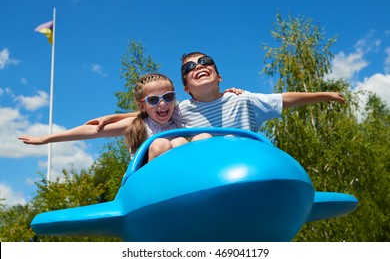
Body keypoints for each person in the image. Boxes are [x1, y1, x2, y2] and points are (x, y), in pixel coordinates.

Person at [86, 51, 345, 132]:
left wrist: (325, 95)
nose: (199, 66)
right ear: (185, 88)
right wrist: (111, 117)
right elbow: (148, 111)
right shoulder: (180, 110)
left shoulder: (242, 99)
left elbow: (284, 99)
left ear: (218, 75)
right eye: (190, 67)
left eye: (205, 62)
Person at [19, 73, 211, 162]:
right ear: (142, 105)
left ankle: (199, 185)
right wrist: (47, 138)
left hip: (181, 173)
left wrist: (227, 93)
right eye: (154, 100)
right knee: (161, 144)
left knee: (200, 137)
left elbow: (205, 101)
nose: (162, 104)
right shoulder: (139, 123)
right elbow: (92, 131)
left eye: (168, 97)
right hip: (147, 179)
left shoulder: (177, 114)